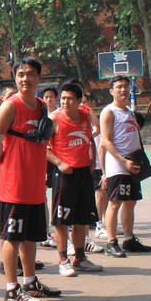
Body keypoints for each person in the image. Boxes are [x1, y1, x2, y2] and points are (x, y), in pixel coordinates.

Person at [0, 57, 59, 301]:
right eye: (20, 74)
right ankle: (11, 289)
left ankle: (30, 281)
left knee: (30, 236)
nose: (25, 79)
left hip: (35, 183)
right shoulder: (11, 106)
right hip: (14, 186)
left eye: (30, 74)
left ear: (39, 77)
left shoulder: (41, 106)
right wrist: (0, 172)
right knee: (12, 237)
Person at [46, 83, 103, 276]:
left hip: (83, 173)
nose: (65, 102)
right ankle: (63, 260)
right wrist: (59, 163)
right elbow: (42, 147)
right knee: (62, 221)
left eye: (70, 98)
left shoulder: (85, 115)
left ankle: (80, 258)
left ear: (79, 101)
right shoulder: (54, 119)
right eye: (63, 98)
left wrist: (92, 158)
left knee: (81, 219)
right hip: (64, 175)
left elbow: (90, 137)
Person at [99, 76, 151, 258]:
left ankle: (129, 239)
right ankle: (111, 242)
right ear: (111, 91)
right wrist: (123, 162)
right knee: (115, 203)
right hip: (119, 166)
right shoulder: (109, 112)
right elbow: (105, 141)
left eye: (126, 86)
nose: (123, 90)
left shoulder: (130, 112)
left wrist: (138, 161)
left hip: (134, 164)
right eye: (119, 87)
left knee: (131, 202)